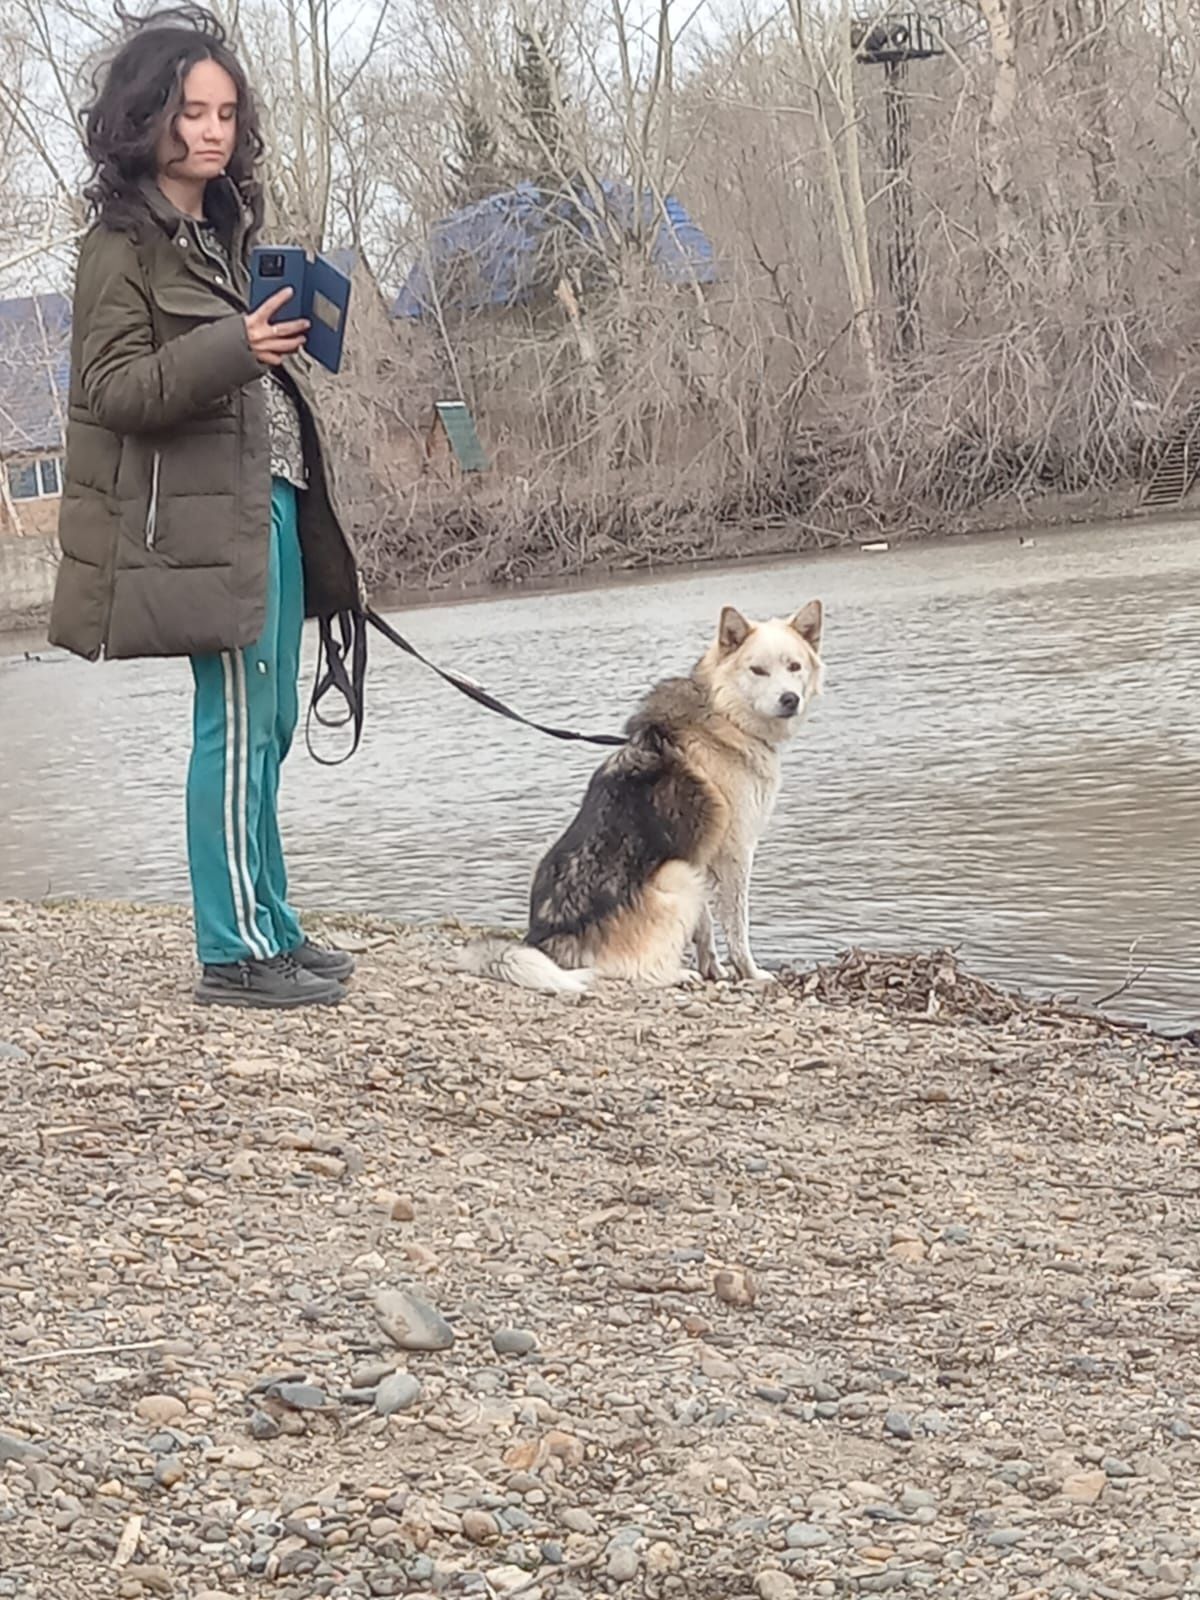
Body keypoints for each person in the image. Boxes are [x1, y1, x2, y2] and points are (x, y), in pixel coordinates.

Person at [49, 5, 361, 1009]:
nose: (212, 131)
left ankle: (273, 924)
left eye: (227, 112)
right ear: (148, 118)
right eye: (191, 111)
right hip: (192, 529)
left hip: (263, 504)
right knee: (231, 726)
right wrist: (238, 347)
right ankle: (231, 951)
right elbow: (111, 390)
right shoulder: (119, 248)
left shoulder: (222, 237)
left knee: (268, 726)